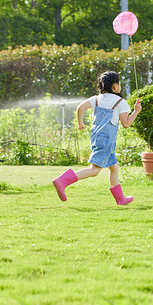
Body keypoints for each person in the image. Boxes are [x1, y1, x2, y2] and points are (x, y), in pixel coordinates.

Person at [52, 71, 141, 205]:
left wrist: (81, 123)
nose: (120, 86)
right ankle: (63, 181)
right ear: (115, 86)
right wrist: (136, 111)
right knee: (94, 171)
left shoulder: (96, 99)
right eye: (119, 83)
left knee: (114, 168)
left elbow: (80, 108)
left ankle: (120, 199)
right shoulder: (120, 102)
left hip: (97, 138)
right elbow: (126, 123)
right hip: (106, 140)